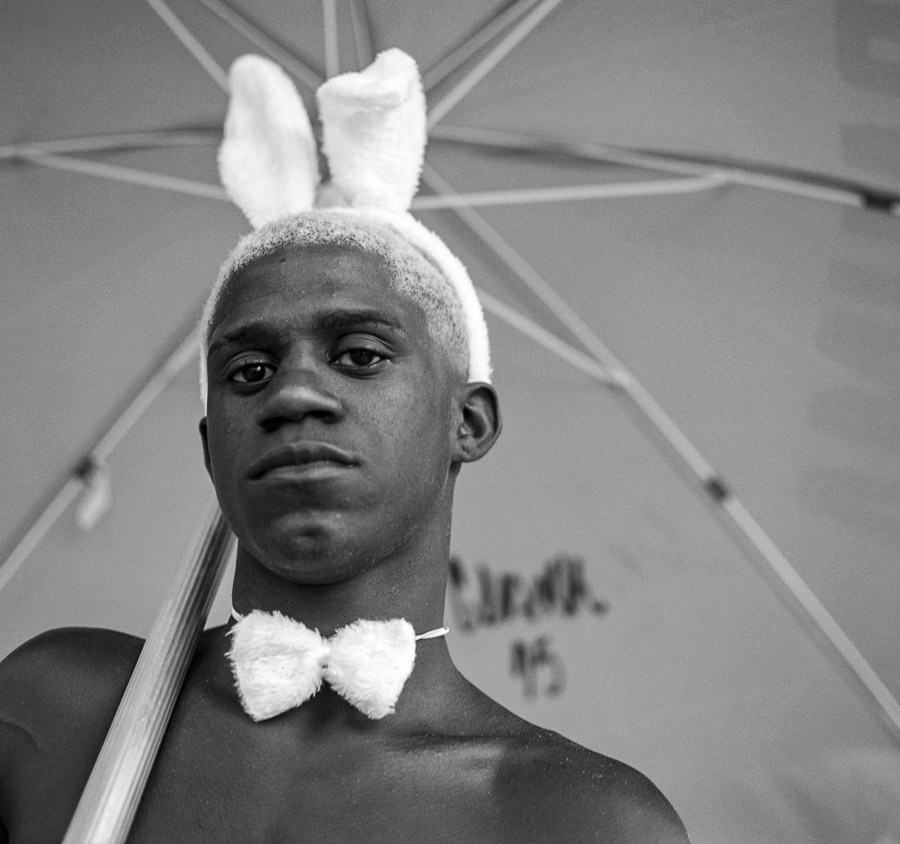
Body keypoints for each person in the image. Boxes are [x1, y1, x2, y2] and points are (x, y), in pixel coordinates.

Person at [0, 52, 689, 844]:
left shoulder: (579, 818)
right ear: (211, 447)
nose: (292, 393)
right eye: (248, 371)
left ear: (468, 423)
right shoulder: (51, 708)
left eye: (360, 354)